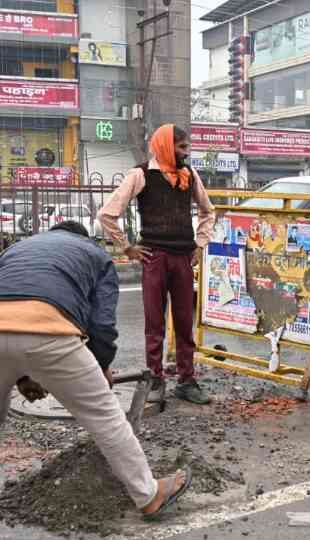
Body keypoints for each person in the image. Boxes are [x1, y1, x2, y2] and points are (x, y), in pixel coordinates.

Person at [0, 222, 190, 526]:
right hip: (49, 329)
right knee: (104, 414)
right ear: (83, 237)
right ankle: (148, 497)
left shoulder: (16, 249)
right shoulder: (95, 255)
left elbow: (2, 302)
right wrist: (101, 365)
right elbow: (102, 324)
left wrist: (21, 374)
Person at [98, 124, 216, 405]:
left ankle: (187, 380)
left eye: (187, 147)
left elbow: (208, 211)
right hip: (154, 258)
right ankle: (155, 378)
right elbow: (107, 214)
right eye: (182, 147)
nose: (187, 153)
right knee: (154, 324)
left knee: (185, 322)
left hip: (183, 257)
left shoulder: (189, 175)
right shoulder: (140, 174)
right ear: (166, 146)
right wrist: (127, 247)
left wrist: (200, 245)